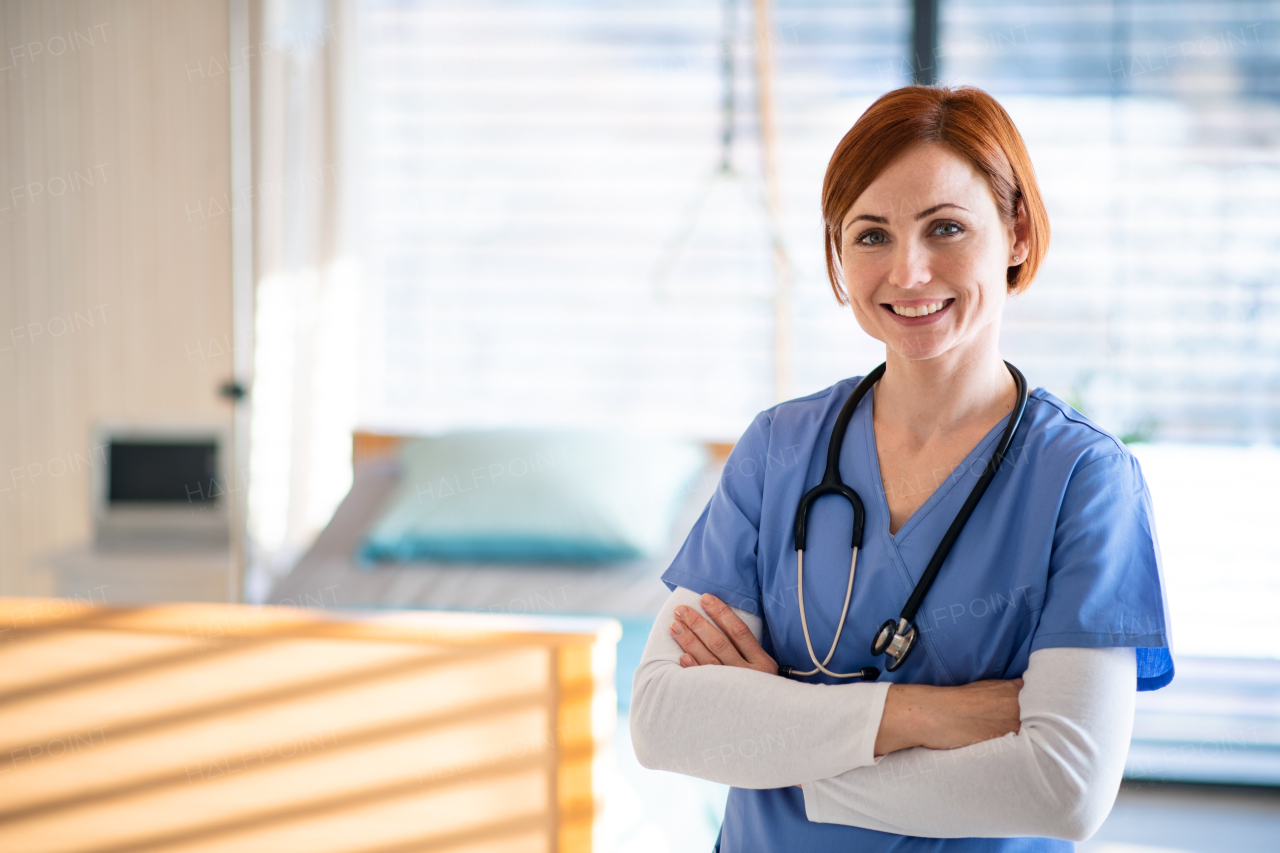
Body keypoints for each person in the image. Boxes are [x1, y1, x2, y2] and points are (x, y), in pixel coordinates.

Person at [629, 85, 1173, 852]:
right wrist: (924, 715)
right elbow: (663, 720)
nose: (909, 272)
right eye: (871, 235)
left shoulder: (1083, 481)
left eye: (945, 227)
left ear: (1017, 232)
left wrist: (782, 740)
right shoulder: (780, 448)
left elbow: (1063, 786)